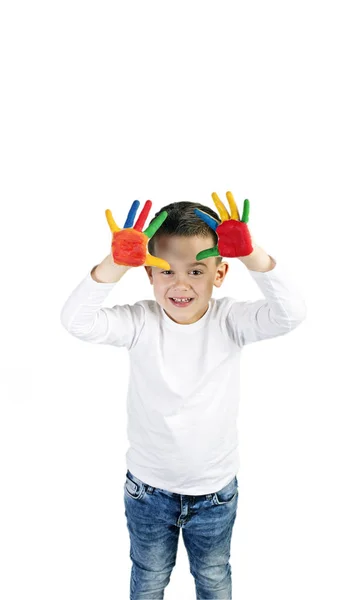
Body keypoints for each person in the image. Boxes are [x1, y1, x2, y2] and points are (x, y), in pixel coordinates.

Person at [60, 196, 306, 599]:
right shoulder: (139, 322)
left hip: (215, 492)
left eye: (196, 270)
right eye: (167, 270)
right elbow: (76, 321)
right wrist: (116, 262)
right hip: (148, 490)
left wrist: (252, 254)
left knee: (213, 577)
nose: (180, 284)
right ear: (149, 275)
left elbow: (291, 313)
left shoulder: (231, 321)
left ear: (220, 273)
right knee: (149, 577)